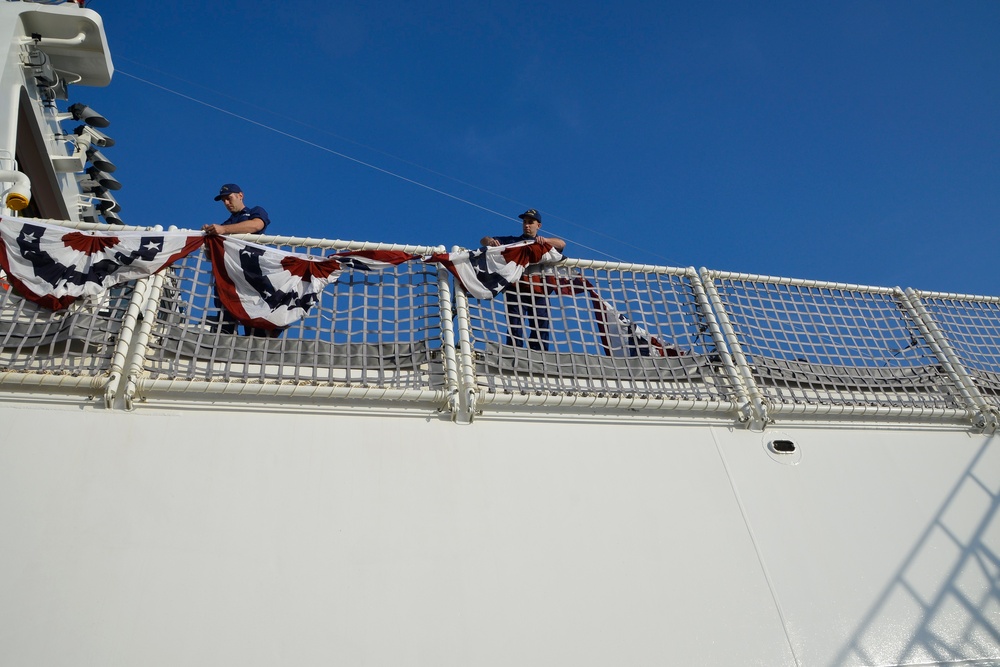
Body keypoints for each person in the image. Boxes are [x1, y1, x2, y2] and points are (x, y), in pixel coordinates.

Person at [480, 209, 566, 351]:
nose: (527, 225)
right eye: (525, 222)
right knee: (515, 324)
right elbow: (484, 240)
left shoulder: (543, 245)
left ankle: (539, 355)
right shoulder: (513, 241)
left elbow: (561, 244)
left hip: (539, 290)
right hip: (516, 289)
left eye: (530, 222)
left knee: (540, 325)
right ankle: (515, 352)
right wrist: (490, 241)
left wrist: (545, 240)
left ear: (538, 225)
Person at [204, 183, 276, 336]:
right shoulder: (225, 224)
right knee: (225, 323)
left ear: (240, 195)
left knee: (255, 325)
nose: (226, 203)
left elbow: (257, 225)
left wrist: (223, 230)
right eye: (223, 201)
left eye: (229, 198)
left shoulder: (254, 212)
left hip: (251, 275)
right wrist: (207, 239)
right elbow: (211, 257)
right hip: (229, 278)